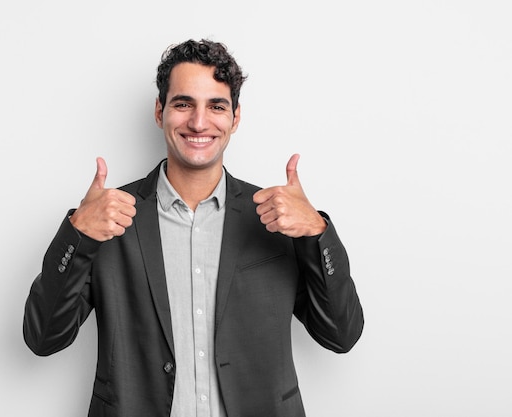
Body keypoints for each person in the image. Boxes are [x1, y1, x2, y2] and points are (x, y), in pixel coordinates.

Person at [23, 39, 364, 417]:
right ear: (160, 111)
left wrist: (317, 232)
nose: (199, 122)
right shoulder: (110, 218)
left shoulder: (275, 217)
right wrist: (77, 234)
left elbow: (341, 335)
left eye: (216, 106)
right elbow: (43, 339)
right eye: (183, 104)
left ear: (235, 118)